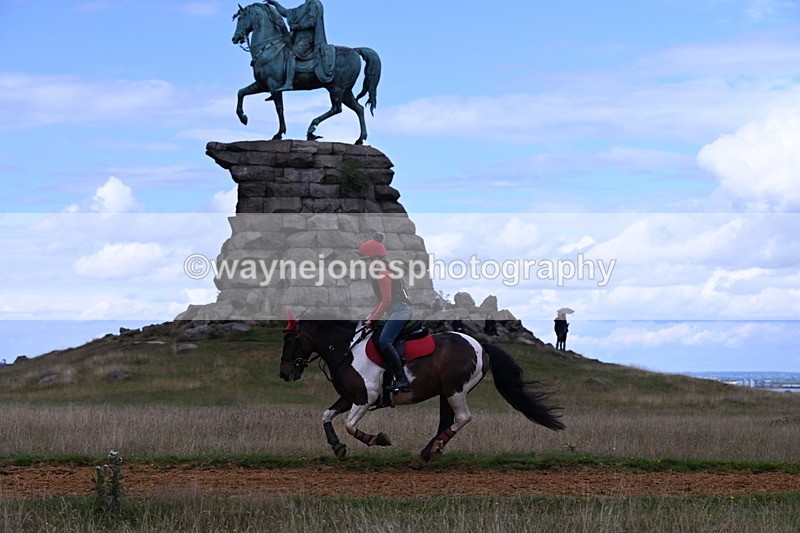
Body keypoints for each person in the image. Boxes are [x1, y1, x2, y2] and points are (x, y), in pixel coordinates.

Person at [358, 233, 413, 393]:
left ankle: (402, 380)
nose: (364, 264)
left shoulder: (382, 273)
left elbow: (387, 300)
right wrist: (371, 315)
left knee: (384, 341)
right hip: (396, 310)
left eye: (366, 260)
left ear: (375, 259)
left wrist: (373, 318)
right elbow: (382, 301)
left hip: (401, 310)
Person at [265, 0, 335, 90]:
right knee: (282, 51)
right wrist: (275, 4)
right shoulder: (303, 7)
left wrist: (297, 26)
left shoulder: (314, 5)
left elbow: (311, 22)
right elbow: (286, 13)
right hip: (298, 39)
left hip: (308, 40)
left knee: (291, 54)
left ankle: (289, 83)